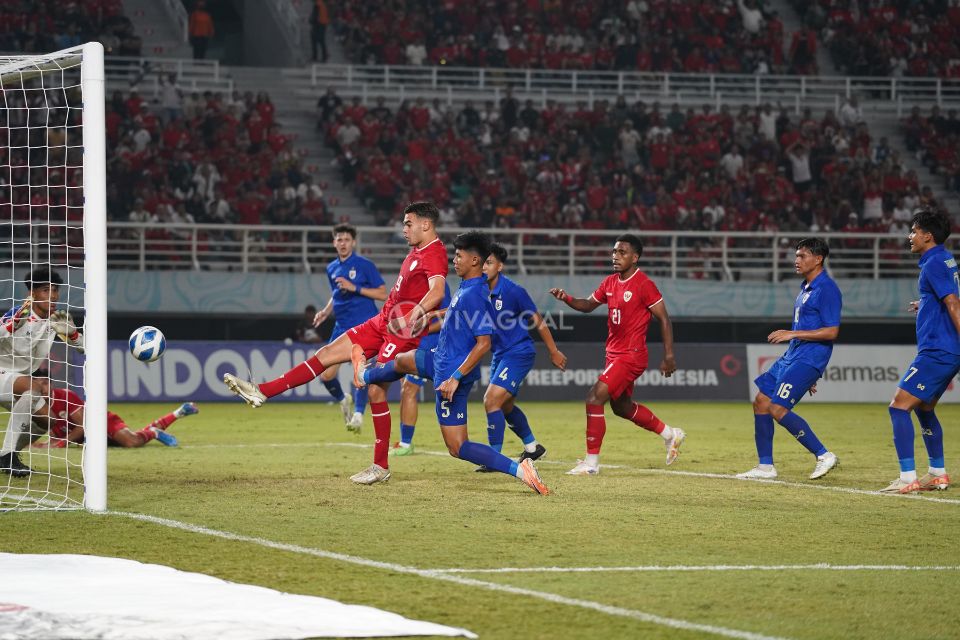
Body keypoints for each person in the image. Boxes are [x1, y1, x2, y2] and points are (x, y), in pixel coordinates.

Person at [223, 202, 448, 485]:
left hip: (401, 334)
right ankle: (262, 392)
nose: (403, 229)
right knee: (326, 353)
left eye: (408, 223)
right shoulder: (416, 251)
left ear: (425, 225)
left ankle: (380, 465)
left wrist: (416, 314)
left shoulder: (435, 252)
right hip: (381, 322)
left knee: (377, 391)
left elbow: (437, 291)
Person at [358, 231, 549, 494]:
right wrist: (434, 314)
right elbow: (460, 309)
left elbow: (485, 343)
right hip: (441, 360)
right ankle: (365, 375)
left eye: (459, 256)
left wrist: (456, 377)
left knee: (458, 447)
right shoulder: (471, 286)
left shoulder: (475, 294)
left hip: (450, 375)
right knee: (402, 361)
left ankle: (520, 469)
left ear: (474, 260)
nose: (454, 260)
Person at [549, 234, 686, 476]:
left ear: (635, 257)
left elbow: (664, 319)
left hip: (631, 355)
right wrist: (567, 298)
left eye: (622, 252)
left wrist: (669, 355)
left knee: (593, 398)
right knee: (621, 407)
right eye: (614, 252)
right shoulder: (610, 282)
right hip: (614, 355)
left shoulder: (644, 284)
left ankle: (591, 464)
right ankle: (670, 434)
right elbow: (587, 305)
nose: (615, 256)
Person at [736, 238, 841, 481]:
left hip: (808, 357)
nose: (796, 260)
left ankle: (824, 455)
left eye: (802, 256)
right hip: (794, 356)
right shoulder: (806, 287)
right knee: (761, 401)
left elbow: (831, 331)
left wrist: (792, 333)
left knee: (777, 407)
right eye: (796, 255)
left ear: (818, 259)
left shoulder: (827, 289)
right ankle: (765, 467)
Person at [882, 208, 960, 493]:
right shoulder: (944, 259)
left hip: (939, 350)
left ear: (928, 236)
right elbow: (947, 297)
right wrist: (925, 303)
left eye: (914, 231)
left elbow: (954, 304)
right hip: (946, 349)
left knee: (899, 406)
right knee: (924, 408)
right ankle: (937, 473)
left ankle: (906, 478)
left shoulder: (934, 263)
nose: (910, 236)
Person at [475, 242, 566, 470]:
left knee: (491, 400)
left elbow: (539, 322)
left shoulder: (513, 291)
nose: (484, 267)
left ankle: (493, 459)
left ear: (500, 266)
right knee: (505, 407)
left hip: (518, 353)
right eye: (482, 262)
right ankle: (533, 447)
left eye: (489, 262)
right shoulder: (477, 290)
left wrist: (553, 351)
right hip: (500, 354)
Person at [0, 268, 83, 477]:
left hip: (15, 381)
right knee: (33, 386)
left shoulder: (54, 322)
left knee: (48, 421)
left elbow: (86, 348)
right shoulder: (18, 314)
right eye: (46, 290)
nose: (53, 295)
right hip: (3, 373)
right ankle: (7, 457)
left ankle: (9, 454)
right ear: (32, 294)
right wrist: (12, 325)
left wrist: (73, 334)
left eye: (55, 290)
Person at [312, 223, 387, 431]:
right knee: (326, 375)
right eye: (339, 239)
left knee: (361, 371)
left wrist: (355, 287)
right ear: (333, 242)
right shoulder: (331, 268)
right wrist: (326, 311)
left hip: (365, 326)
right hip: (341, 326)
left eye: (346, 239)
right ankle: (342, 398)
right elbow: (336, 293)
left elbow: (382, 294)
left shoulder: (365, 265)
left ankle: (358, 414)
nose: (342, 243)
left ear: (353, 242)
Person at [388, 282, 451, 457]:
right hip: (413, 345)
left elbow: (448, 317)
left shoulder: (438, 286)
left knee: (409, 389)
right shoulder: (410, 284)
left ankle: (406, 443)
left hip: (432, 346)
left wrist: (418, 331)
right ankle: (404, 441)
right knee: (406, 389)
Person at [41, 390, 199, 449]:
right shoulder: (41, 408)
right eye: (38, 383)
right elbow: (55, 437)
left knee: (131, 442)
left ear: (50, 384)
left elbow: (83, 426)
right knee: (133, 438)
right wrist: (42, 446)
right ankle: (179, 412)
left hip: (102, 422)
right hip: (91, 438)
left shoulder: (64, 396)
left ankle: (154, 433)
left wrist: (62, 443)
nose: (42, 388)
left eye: (45, 383)